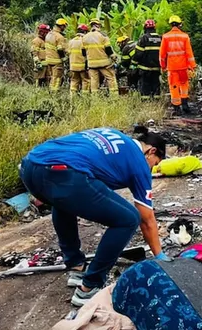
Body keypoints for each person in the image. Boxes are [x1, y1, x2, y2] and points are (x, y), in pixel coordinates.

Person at [18, 126, 169, 307]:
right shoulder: (139, 162)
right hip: (64, 173)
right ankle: (89, 287)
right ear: (151, 151)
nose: (152, 168)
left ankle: (76, 267)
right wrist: (159, 255)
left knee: (63, 201)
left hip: (30, 166)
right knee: (128, 219)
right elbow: (147, 219)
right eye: (155, 162)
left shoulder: (113, 133)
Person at [160, 15, 197, 115]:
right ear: (180, 24)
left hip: (172, 67)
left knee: (174, 86)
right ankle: (185, 105)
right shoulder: (185, 36)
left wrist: (163, 66)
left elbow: (162, 54)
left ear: (171, 24)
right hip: (183, 66)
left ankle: (177, 108)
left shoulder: (166, 37)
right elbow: (189, 52)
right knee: (184, 85)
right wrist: (192, 65)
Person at [84, 20, 118, 95]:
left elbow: (83, 52)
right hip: (104, 63)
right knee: (111, 78)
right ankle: (114, 97)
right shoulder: (103, 35)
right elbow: (108, 48)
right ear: (98, 25)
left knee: (94, 81)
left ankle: (95, 98)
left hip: (91, 63)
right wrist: (113, 57)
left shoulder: (85, 37)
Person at [132, 19, 163, 98]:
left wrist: (133, 64)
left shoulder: (144, 38)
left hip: (145, 68)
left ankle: (146, 102)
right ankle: (156, 100)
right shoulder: (160, 38)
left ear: (145, 28)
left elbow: (138, 53)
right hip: (157, 67)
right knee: (156, 84)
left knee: (145, 85)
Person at [44, 18, 69, 91]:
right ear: (61, 26)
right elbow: (60, 49)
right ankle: (55, 92)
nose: (64, 28)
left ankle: (50, 90)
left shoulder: (49, 34)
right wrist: (64, 58)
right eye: (64, 26)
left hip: (48, 59)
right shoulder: (59, 37)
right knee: (57, 77)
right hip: (56, 61)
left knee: (51, 77)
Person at [68, 24, 90, 95]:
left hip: (73, 66)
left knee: (74, 81)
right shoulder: (85, 40)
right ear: (85, 32)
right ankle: (85, 97)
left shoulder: (71, 41)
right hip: (82, 65)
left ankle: (72, 96)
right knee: (85, 81)